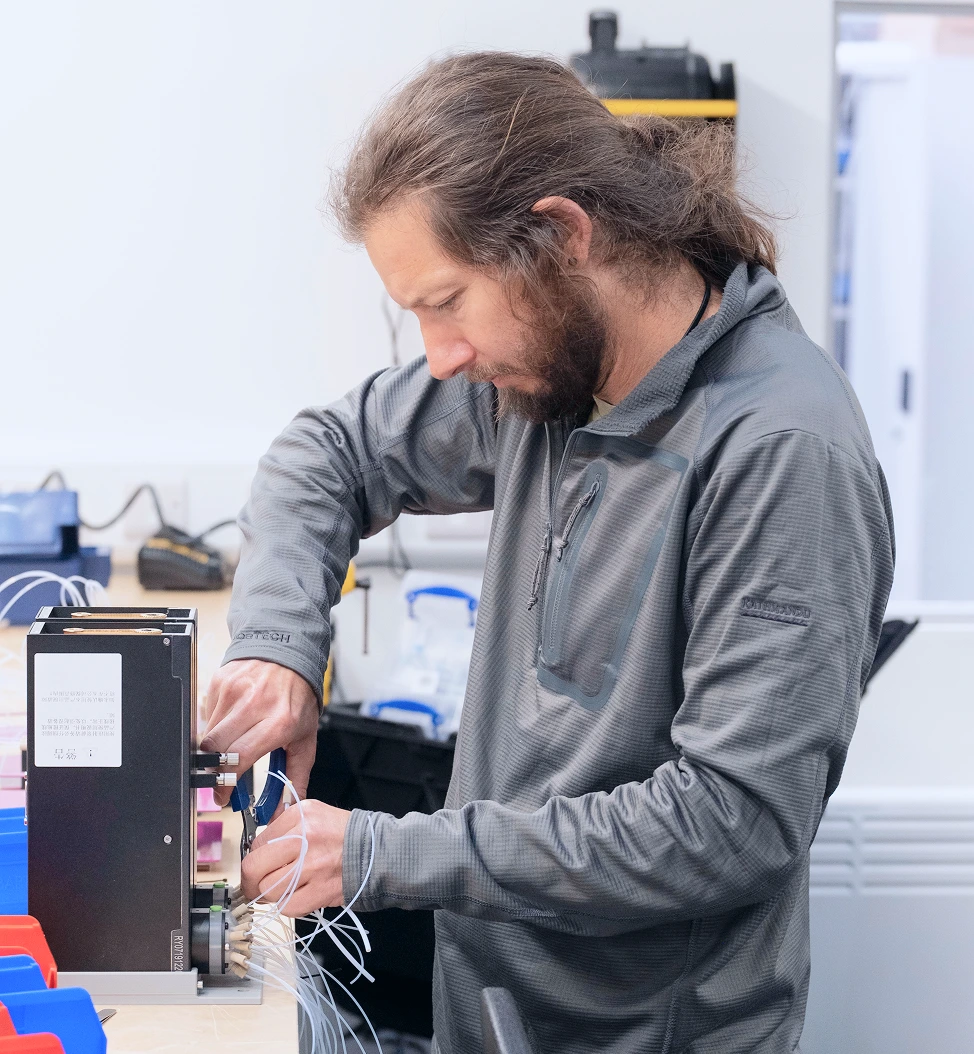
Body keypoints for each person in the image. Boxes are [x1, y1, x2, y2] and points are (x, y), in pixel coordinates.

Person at [201, 52, 894, 1054]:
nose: (437, 356)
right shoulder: (548, 378)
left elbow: (728, 825)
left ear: (563, 237)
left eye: (447, 301)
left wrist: (384, 852)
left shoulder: (780, 455)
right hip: (489, 1008)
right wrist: (275, 648)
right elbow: (329, 450)